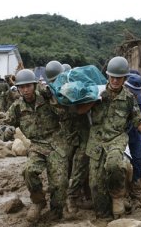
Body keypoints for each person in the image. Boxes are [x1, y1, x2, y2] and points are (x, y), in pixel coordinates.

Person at [82, 56, 141, 219]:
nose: (115, 81)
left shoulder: (129, 98)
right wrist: (93, 99)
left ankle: (118, 196)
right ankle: (104, 215)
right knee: (96, 185)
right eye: (112, 77)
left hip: (116, 139)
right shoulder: (96, 91)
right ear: (108, 76)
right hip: (96, 141)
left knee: (114, 165)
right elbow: (80, 111)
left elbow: (138, 120)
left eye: (119, 77)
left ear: (124, 78)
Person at [0, 69, 68, 222]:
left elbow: (64, 115)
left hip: (56, 143)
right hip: (36, 145)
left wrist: (52, 99)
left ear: (35, 85)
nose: (25, 90)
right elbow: (3, 126)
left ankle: (57, 211)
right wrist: (7, 131)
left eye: (28, 86)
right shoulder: (17, 107)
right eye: (22, 87)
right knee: (28, 171)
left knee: (59, 182)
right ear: (18, 88)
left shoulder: (46, 98)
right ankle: (38, 202)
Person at [45, 60, 91, 213]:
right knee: (65, 167)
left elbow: (86, 107)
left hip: (83, 132)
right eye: (53, 81)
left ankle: (75, 196)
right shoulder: (47, 95)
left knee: (83, 163)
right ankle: (64, 198)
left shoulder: (75, 87)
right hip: (66, 135)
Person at [124, 74, 141, 205]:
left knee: (138, 158)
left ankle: (138, 188)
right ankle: (123, 190)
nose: (134, 94)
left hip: (135, 132)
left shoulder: (138, 99)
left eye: (136, 92)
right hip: (118, 133)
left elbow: (138, 119)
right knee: (121, 162)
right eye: (131, 91)